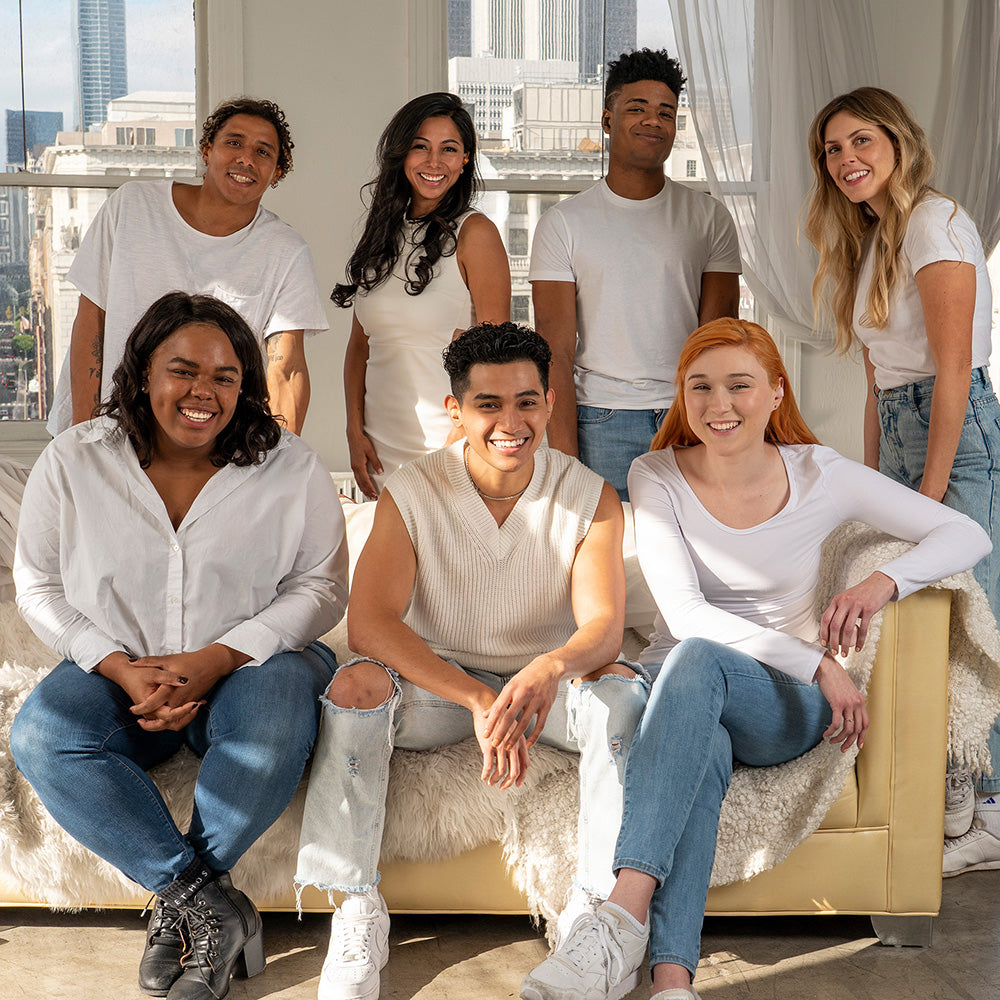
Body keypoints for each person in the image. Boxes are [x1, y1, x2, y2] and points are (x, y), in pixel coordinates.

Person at [521, 317, 990, 1000]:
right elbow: (683, 617)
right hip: (683, 692)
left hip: (780, 699)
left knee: (699, 660)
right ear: (682, 396)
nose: (720, 405)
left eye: (740, 385)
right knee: (699, 736)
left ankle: (619, 913)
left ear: (775, 393)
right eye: (701, 387)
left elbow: (966, 533)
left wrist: (879, 584)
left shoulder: (820, 473)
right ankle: (673, 980)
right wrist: (820, 662)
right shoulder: (655, 472)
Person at [295, 322, 648, 1000]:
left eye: (526, 402)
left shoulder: (589, 495)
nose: (510, 422)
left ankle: (592, 914)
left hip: (541, 689)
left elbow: (603, 628)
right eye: (489, 404)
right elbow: (369, 624)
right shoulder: (413, 490)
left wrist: (546, 670)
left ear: (549, 402)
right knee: (354, 685)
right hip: (441, 689)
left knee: (623, 697)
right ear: (455, 410)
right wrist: (479, 700)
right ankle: (355, 905)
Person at [11, 292, 348, 1000]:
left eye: (225, 377)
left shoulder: (289, 466)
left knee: (279, 708)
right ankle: (204, 901)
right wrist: (117, 668)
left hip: (252, 668)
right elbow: (37, 585)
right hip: (116, 671)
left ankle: (182, 910)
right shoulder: (75, 459)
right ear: (141, 375)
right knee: (43, 736)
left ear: (245, 386)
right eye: (183, 370)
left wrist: (218, 658)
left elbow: (321, 588)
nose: (204, 392)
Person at [805, 86, 1000, 870]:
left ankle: (987, 804)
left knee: (975, 614)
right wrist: (867, 483)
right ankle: (953, 784)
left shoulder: (932, 221)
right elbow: (878, 380)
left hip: (952, 431)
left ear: (898, 141)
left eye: (860, 141)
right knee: (921, 617)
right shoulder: (873, 236)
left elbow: (954, 366)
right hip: (900, 426)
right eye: (832, 150)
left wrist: (931, 482)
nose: (846, 159)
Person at [529, 48, 741, 500]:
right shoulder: (563, 223)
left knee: (698, 555)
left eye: (666, 112)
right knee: (610, 561)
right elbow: (555, 351)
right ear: (608, 120)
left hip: (688, 416)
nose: (653, 122)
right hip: (599, 420)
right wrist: (564, 461)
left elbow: (719, 338)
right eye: (637, 109)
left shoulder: (709, 218)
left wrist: (720, 426)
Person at [51, 97, 329, 437]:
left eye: (263, 151)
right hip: (111, 429)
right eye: (234, 142)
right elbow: (91, 322)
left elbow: (286, 368)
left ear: (277, 172)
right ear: (207, 150)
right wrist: (84, 433)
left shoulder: (285, 250)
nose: (245, 158)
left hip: (208, 446)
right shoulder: (132, 207)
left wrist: (282, 463)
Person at [333, 92, 511, 499]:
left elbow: (495, 358)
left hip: (449, 450)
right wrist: (353, 430)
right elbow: (360, 348)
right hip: (378, 452)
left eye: (449, 149)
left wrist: (457, 442)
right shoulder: (380, 234)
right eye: (420, 147)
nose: (434, 163)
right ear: (401, 154)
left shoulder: (475, 233)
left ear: (465, 159)